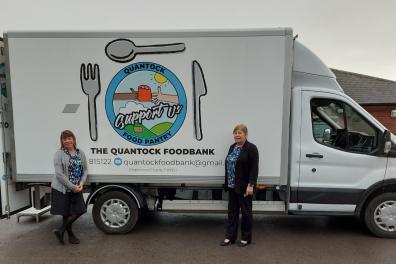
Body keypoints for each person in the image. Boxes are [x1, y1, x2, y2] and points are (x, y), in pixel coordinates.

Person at [221, 124, 259, 247]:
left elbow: (254, 169)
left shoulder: (251, 148)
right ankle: (230, 237)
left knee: (246, 213)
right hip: (232, 186)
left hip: (244, 187)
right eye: (235, 133)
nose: (237, 135)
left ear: (245, 135)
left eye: (240, 132)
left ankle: (246, 238)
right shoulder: (232, 147)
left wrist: (251, 185)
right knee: (232, 212)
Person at [51, 130, 88, 245]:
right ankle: (70, 236)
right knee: (66, 214)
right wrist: (72, 187)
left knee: (80, 210)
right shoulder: (59, 153)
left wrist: (82, 182)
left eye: (69, 138)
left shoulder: (80, 152)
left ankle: (61, 230)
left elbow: (85, 170)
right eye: (64, 139)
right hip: (62, 189)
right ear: (62, 141)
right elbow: (59, 174)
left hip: (77, 187)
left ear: (73, 139)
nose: (67, 141)